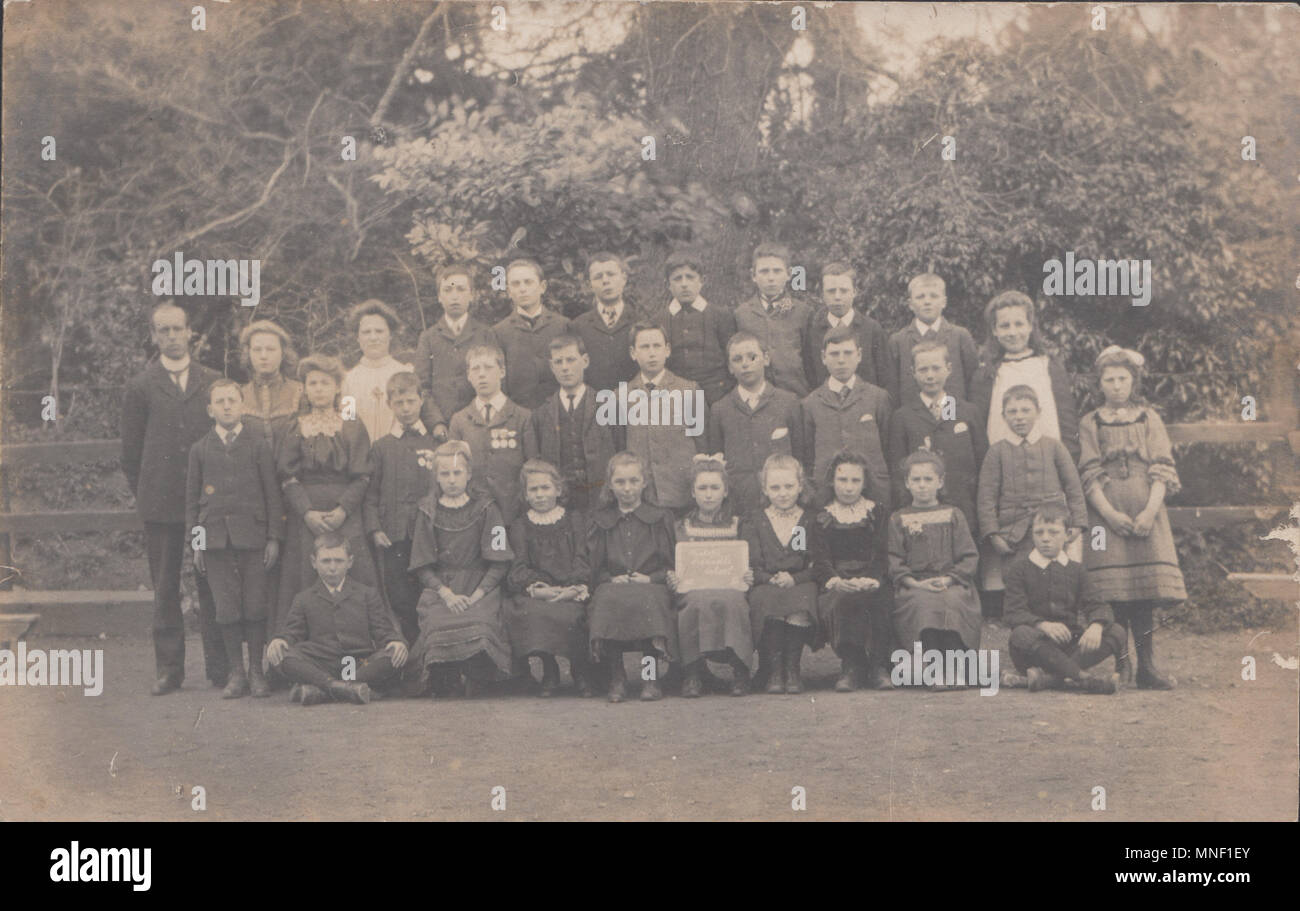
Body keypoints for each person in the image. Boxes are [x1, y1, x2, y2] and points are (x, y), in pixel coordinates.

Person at [121, 301, 226, 694]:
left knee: (210, 579)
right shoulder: (141, 386)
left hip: (205, 503)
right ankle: (169, 669)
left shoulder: (212, 380)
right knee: (165, 585)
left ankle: (221, 666)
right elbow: (131, 455)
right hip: (161, 503)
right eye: (162, 330)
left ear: (189, 333)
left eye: (177, 329)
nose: (171, 336)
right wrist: (149, 492)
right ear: (153, 336)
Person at [1078, 346, 1184, 689]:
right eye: (1109, 379)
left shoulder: (1149, 418)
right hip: (1106, 517)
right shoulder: (1090, 422)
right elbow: (1089, 472)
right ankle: (1121, 664)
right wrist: (1109, 514)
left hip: (1146, 512)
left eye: (1123, 378)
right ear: (1100, 383)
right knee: (1115, 592)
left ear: (1133, 381)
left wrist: (1150, 511)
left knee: (1142, 594)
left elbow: (1163, 466)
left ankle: (1147, 667)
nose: (1116, 385)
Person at [186, 379, 284, 699]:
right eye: (220, 401)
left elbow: (272, 495)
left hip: (253, 537)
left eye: (232, 400)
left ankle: (257, 671)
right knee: (226, 607)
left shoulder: (258, 446)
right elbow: (192, 502)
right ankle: (236, 673)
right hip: (214, 539)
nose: (226, 406)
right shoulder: (200, 450)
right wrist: (197, 544)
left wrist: (273, 538)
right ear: (209, 409)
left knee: (255, 605)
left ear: (243, 405)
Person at [276, 354, 378, 627]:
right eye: (313, 383)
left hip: (345, 514)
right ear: (305, 389)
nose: (319, 389)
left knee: (355, 575)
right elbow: (287, 475)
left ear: (336, 388)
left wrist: (343, 510)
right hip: (307, 516)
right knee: (306, 578)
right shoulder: (294, 426)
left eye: (325, 383)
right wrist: (307, 512)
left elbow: (363, 476)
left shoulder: (352, 424)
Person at [408, 441, 515, 696]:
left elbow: (499, 562)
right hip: (442, 588)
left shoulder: (488, 509)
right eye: (445, 474)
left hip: (480, 586)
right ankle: (447, 675)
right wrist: (445, 593)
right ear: (436, 477)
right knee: (437, 622)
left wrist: (477, 595)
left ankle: (478, 674)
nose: (452, 480)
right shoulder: (426, 511)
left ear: (468, 474)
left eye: (458, 473)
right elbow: (422, 565)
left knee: (479, 622)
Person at [266, 533, 408, 706]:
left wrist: (395, 641)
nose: (332, 567)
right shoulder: (303, 598)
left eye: (339, 561)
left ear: (350, 562)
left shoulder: (366, 594)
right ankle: (342, 688)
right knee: (282, 655)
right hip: (319, 664)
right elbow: (291, 632)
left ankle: (320, 690)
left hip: (356, 663)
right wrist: (280, 639)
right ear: (313, 562)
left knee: (395, 655)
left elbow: (382, 630)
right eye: (326, 561)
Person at [976, 385, 1087, 597]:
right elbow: (986, 497)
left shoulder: (1054, 447)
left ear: (1038, 411)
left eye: (1025, 410)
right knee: (1017, 578)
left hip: (1051, 526)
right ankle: (1023, 623)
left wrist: (1078, 524)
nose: (1019, 417)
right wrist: (993, 534)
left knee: (1055, 577)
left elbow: (1073, 487)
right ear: (1003, 416)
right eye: (1012, 412)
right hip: (1013, 533)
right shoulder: (997, 452)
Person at [998, 507, 1123, 695]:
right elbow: (1013, 612)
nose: (1045, 538)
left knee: (1116, 632)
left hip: (1069, 645)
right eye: (1039, 532)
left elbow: (1097, 604)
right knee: (1020, 634)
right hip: (1035, 649)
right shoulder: (1020, 568)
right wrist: (1042, 625)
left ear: (1068, 535)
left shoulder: (1076, 570)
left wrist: (1096, 626)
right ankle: (1085, 679)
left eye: (1053, 532)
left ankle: (1050, 680)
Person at [586, 452, 678, 702]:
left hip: (651, 585)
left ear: (644, 482)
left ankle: (650, 677)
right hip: (613, 586)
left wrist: (651, 578)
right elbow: (595, 565)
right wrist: (610, 578)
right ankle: (618, 677)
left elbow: (671, 563)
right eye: (620, 482)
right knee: (608, 600)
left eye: (633, 481)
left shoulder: (660, 518)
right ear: (610, 485)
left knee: (648, 601)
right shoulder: (601, 520)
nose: (627, 489)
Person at [888, 451, 982, 689]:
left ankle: (955, 669)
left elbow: (969, 556)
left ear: (940, 482)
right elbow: (894, 559)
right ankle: (933, 670)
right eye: (916, 480)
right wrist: (915, 583)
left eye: (928, 480)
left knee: (952, 602)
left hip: (951, 582)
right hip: (915, 585)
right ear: (907, 483)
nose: (922, 486)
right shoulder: (899, 518)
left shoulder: (953, 515)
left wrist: (950, 579)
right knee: (925, 604)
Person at [505, 460, 593, 697]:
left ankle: (580, 669)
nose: (540, 495)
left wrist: (572, 588)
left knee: (574, 613)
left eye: (545, 488)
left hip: (571, 588)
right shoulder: (520, 526)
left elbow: (583, 558)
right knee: (534, 612)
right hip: (540, 590)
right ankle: (550, 669)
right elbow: (518, 568)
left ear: (559, 490)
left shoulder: (575, 520)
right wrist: (537, 588)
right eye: (533, 490)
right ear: (525, 494)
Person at [668, 456, 754, 698]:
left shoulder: (738, 524)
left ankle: (740, 671)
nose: (708, 494)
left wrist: (748, 574)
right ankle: (693, 672)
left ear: (725, 491)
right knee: (694, 602)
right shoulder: (681, 527)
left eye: (715, 488)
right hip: (694, 590)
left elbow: (746, 560)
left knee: (734, 602)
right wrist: (673, 578)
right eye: (702, 488)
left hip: (731, 588)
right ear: (693, 493)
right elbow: (674, 562)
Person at [363, 371, 436, 644]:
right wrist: (374, 528)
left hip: (429, 534)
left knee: (428, 591)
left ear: (421, 401)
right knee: (399, 595)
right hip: (394, 535)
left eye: (410, 401)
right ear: (390, 405)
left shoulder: (435, 442)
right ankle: (413, 650)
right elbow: (370, 493)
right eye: (399, 403)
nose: (405, 409)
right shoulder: (381, 447)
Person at [886, 338, 987, 532]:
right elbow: (898, 473)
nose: (930, 376)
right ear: (913, 372)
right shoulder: (903, 417)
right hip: (920, 513)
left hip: (963, 509)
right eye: (923, 370)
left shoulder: (966, 412)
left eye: (936, 368)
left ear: (949, 368)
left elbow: (983, 464)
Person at [812, 452, 892, 692]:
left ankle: (879, 665)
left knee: (881, 598)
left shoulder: (877, 512)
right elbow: (820, 559)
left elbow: (882, 552)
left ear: (865, 482)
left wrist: (873, 579)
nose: (848, 488)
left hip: (872, 577)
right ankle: (852, 665)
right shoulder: (822, 516)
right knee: (844, 599)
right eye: (842, 480)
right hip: (838, 580)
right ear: (831, 482)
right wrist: (835, 581)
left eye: (855, 481)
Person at [742, 454, 822, 695]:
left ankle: (792, 669)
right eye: (775, 487)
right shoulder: (755, 521)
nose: (783, 493)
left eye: (789, 486)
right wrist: (769, 578)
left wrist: (795, 579)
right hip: (766, 582)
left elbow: (816, 563)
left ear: (800, 486)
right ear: (765, 489)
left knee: (803, 596)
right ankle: (775, 671)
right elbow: (752, 563)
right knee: (764, 598)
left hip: (800, 582)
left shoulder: (810, 520)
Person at [968, 290, 1080, 461]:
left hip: (1048, 463)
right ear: (995, 330)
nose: (1013, 332)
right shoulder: (986, 374)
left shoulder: (1049, 366)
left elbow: (1067, 422)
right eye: (1005, 326)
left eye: (1019, 324)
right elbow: (978, 430)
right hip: (1004, 464)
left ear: (1030, 326)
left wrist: (1069, 462)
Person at [706, 332, 804, 516]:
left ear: (766, 359)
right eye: (737, 359)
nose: (745, 364)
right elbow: (717, 464)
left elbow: (800, 455)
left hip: (783, 505)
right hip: (740, 506)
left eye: (752, 357)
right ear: (730, 367)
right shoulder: (720, 409)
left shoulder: (789, 403)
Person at [800, 326, 892, 509]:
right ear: (823, 357)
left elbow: (889, 447)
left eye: (848, 353)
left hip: (873, 491)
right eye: (834, 354)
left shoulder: (878, 397)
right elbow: (807, 455)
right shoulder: (810, 404)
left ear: (859, 355)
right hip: (825, 494)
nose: (841, 360)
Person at [525, 335, 616, 513]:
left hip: (600, 500)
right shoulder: (542, 413)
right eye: (559, 362)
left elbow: (619, 449)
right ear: (552, 367)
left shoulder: (607, 405)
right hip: (560, 504)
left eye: (571, 360)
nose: (565, 368)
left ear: (585, 361)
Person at [623, 322, 705, 511]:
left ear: (667, 350)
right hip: (642, 498)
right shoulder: (622, 395)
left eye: (657, 346)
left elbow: (702, 445)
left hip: (682, 495)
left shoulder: (689, 390)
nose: (652, 353)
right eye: (644, 347)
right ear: (633, 353)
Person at [447, 344, 532, 524]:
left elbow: (531, 467)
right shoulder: (459, 420)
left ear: (502, 371)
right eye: (475, 369)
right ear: (469, 376)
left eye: (488, 367)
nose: (482, 374)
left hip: (514, 512)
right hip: (473, 512)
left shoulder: (523, 417)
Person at [413, 263, 498, 432]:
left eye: (460, 289)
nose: (454, 296)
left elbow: (497, 381)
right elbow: (422, 387)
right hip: (442, 428)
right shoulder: (428, 338)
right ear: (439, 296)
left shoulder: (485, 334)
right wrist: (436, 422)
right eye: (448, 290)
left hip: (480, 424)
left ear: (472, 295)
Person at [341, 300, 436, 444]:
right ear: (358, 338)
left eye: (379, 331)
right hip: (361, 461)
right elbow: (348, 425)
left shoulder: (407, 373)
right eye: (366, 332)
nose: (373, 337)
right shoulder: (348, 380)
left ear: (390, 335)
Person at [884, 273, 979, 405]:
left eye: (934, 296)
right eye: (920, 297)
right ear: (910, 304)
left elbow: (973, 383)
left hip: (952, 410)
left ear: (944, 302)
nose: (927, 301)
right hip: (913, 416)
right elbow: (892, 389)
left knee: (948, 423)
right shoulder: (898, 341)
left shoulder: (960, 336)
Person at [734, 242, 813, 397]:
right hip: (757, 397)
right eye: (764, 271)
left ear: (789, 274)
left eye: (777, 271)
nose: (771, 278)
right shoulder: (742, 314)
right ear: (753, 276)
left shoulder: (803, 312)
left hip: (796, 395)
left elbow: (811, 361)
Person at [658, 249, 736, 404]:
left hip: (717, 397)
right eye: (677, 279)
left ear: (702, 280)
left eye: (690, 278)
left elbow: (732, 360)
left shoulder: (721, 316)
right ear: (668, 285)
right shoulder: (660, 320)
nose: (684, 284)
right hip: (675, 399)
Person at [492, 257, 571, 409]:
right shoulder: (499, 332)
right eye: (516, 284)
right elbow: (499, 383)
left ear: (542, 287)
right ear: (508, 291)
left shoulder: (563, 325)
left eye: (528, 282)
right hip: (519, 415)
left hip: (558, 413)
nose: (522, 289)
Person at [802, 262, 887, 390]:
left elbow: (884, 378)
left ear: (854, 292)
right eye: (831, 291)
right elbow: (810, 377)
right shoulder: (812, 332)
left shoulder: (872, 329)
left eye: (844, 290)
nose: (837, 297)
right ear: (822, 294)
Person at [569, 252, 641, 396]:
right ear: (589, 285)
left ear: (624, 279)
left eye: (611, 274)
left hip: (633, 406)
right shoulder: (577, 326)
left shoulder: (640, 323)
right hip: (593, 408)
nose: (605, 281)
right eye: (598, 277)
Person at [238, 319, 303, 446]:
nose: (263, 356)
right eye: (257, 349)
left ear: (283, 353)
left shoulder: (300, 392)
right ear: (248, 354)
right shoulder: (238, 396)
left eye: (271, 349)